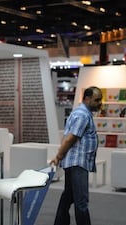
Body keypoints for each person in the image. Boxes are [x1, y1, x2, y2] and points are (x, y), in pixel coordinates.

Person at [50, 86, 102, 225]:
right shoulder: (83, 115)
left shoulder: (79, 112)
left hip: (74, 163)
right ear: (87, 98)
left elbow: (67, 136)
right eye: (97, 100)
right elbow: (70, 138)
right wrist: (58, 156)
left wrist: (60, 156)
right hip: (77, 164)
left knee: (68, 196)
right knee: (81, 202)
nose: (99, 103)